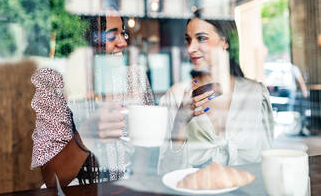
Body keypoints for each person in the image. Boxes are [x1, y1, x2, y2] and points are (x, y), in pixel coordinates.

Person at [31, 13, 154, 187]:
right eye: (112, 36)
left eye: (123, 33)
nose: (123, 43)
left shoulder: (134, 78)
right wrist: (87, 135)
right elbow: (52, 179)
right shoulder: (56, 85)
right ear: (85, 40)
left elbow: (148, 149)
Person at [159, 10, 274, 173]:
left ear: (225, 41)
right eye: (188, 40)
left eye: (201, 38)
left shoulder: (255, 93)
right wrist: (180, 122)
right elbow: (165, 171)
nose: (191, 48)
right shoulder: (175, 96)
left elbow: (269, 158)